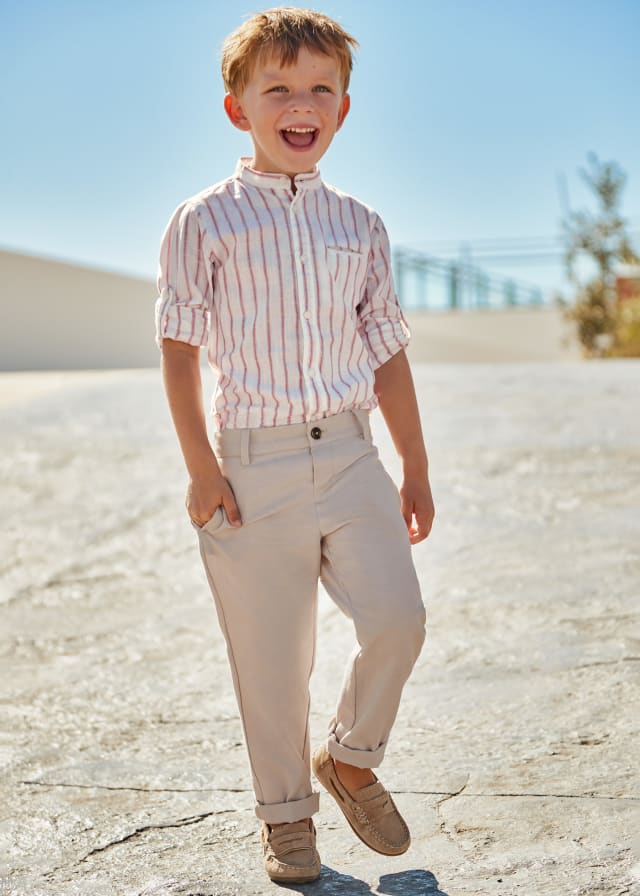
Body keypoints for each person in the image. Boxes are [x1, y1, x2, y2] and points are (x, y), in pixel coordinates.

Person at [154, 6, 435, 884]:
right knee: (272, 660)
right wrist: (202, 467)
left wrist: (414, 463)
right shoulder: (203, 222)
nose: (300, 103)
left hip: (353, 455)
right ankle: (285, 817)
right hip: (253, 464)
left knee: (400, 619)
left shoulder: (362, 225)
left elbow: (386, 351)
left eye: (320, 88)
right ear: (239, 108)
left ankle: (350, 758)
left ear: (343, 109)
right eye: (277, 87)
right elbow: (178, 348)